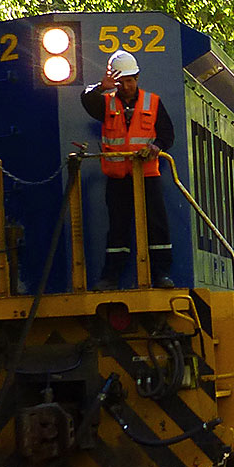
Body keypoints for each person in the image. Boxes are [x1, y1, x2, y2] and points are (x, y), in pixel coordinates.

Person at [79, 49, 175, 288]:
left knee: (157, 224)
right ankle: (111, 276)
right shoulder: (106, 103)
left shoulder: (152, 102)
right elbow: (86, 99)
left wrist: (156, 147)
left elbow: (167, 134)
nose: (125, 86)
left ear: (137, 78)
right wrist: (101, 86)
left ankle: (161, 273)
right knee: (118, 227)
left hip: (147, 175)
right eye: (120, 82)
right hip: (118, 177)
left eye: (129, 80)